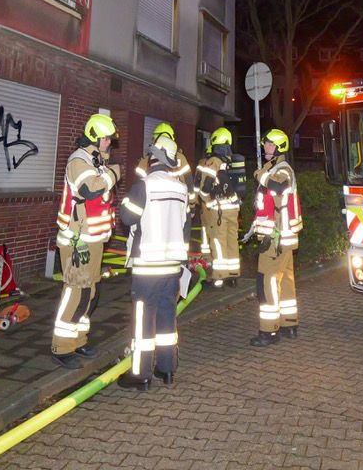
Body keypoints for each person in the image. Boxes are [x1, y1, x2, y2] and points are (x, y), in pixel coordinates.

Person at [116, 134, 190, 390]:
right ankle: (167, 370)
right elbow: (185, 228)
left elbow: (127, 217)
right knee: (167, 318)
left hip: (147, 267)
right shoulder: (182, 189)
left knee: (143, 321)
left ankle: (141, 374)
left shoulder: (144, 186)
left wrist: (128, 199)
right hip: (172, 268)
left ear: (153, 157)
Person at [50, 113, 121, 369]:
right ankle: (61, 347)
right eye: (106, 138)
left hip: (94, 239)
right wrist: (113, 174)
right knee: (76, 292)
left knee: (90, 292)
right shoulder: (78, 160)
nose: (109, 143)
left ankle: (78, 340)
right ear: (94, 137)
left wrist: (107, 170)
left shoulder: (96, 161)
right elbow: (90, 190)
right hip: (77, 240)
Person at [248, 128, 302, 347]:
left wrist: (260, 174)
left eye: (270, 144)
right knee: (286, 281)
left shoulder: (282, 170)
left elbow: (277, 186)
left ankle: (269, 331)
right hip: (283, 239)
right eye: (265, 144)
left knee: (267, 282)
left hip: (275, 239)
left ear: (280, 147)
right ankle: (289, 324)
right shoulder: (275, 169)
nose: (265, 147)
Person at [194, 126, 242, 287]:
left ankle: (219, 278)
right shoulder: (231, 160)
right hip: (233, 209)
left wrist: (208, 202)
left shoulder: (213, 162)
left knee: (218, 242)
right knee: (232, 241)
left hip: (219, 210)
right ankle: (233, 275)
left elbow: (204, 188)